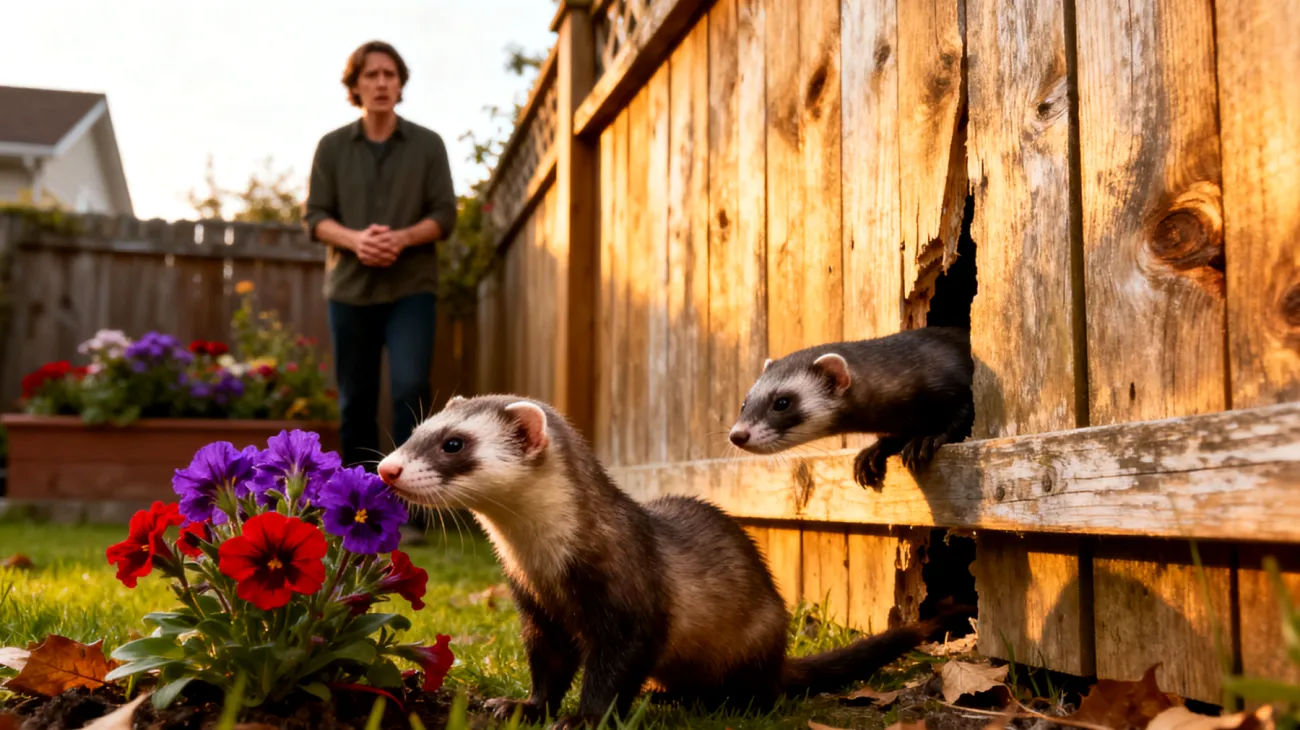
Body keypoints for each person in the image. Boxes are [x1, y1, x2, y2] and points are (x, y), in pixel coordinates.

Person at [303, 40, 457, 474]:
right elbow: (314, 217)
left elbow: (445, 215)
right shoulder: (332, 147)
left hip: (411, 289)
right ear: (355, 86)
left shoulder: (428, 145)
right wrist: (356, 241)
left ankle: (412, 498)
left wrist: (402, 238)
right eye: (371, 75)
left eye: (390, 74)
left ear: (401, 84)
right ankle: (356, 495)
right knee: (356, 400)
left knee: (411, 388)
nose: (382, 83)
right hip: (349, 291)